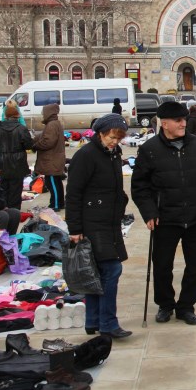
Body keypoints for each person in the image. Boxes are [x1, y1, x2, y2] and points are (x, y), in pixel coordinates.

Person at [131, 102, 196, 326]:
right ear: (165, 123)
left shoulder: (195, 143)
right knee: (162, 265)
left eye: (184, 119)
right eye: (178, 120)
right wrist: (149, 211)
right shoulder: (149, 149)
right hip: (165, 218)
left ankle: (186, 306)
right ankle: (165, 304)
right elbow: (139, 186)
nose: (183, 124)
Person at [66, 113, 132, 339]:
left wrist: (121, 201)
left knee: (95, 272)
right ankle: (108, 324)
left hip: (109, 220)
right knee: (111, 269)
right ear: (101, 133)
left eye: (119, 138)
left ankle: (93, 321)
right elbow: (73, 194)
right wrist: (74, 229)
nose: (115, 141)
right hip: (92, 221)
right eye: (112, 137)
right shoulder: (86, 155)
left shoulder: (113, 153)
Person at [0, 104, 33, 210]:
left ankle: (4, 208)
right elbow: (28, 145)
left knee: (4, 187)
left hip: (3, 160)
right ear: (17, 116)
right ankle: (14, 211)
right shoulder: (21, 128)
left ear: (5, 116)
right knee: (16, 188)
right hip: (18, 161)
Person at [32, 103, 66, 212]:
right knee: (55, 183)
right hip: (54, 158)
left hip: (51, 160)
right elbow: (45, 136)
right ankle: (58, 203)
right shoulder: (54, 123)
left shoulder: (52, 125)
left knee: (52, 183)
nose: (42, 115)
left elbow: (48, 141)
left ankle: (55, 204)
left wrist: (36, 145)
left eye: (43, 112)